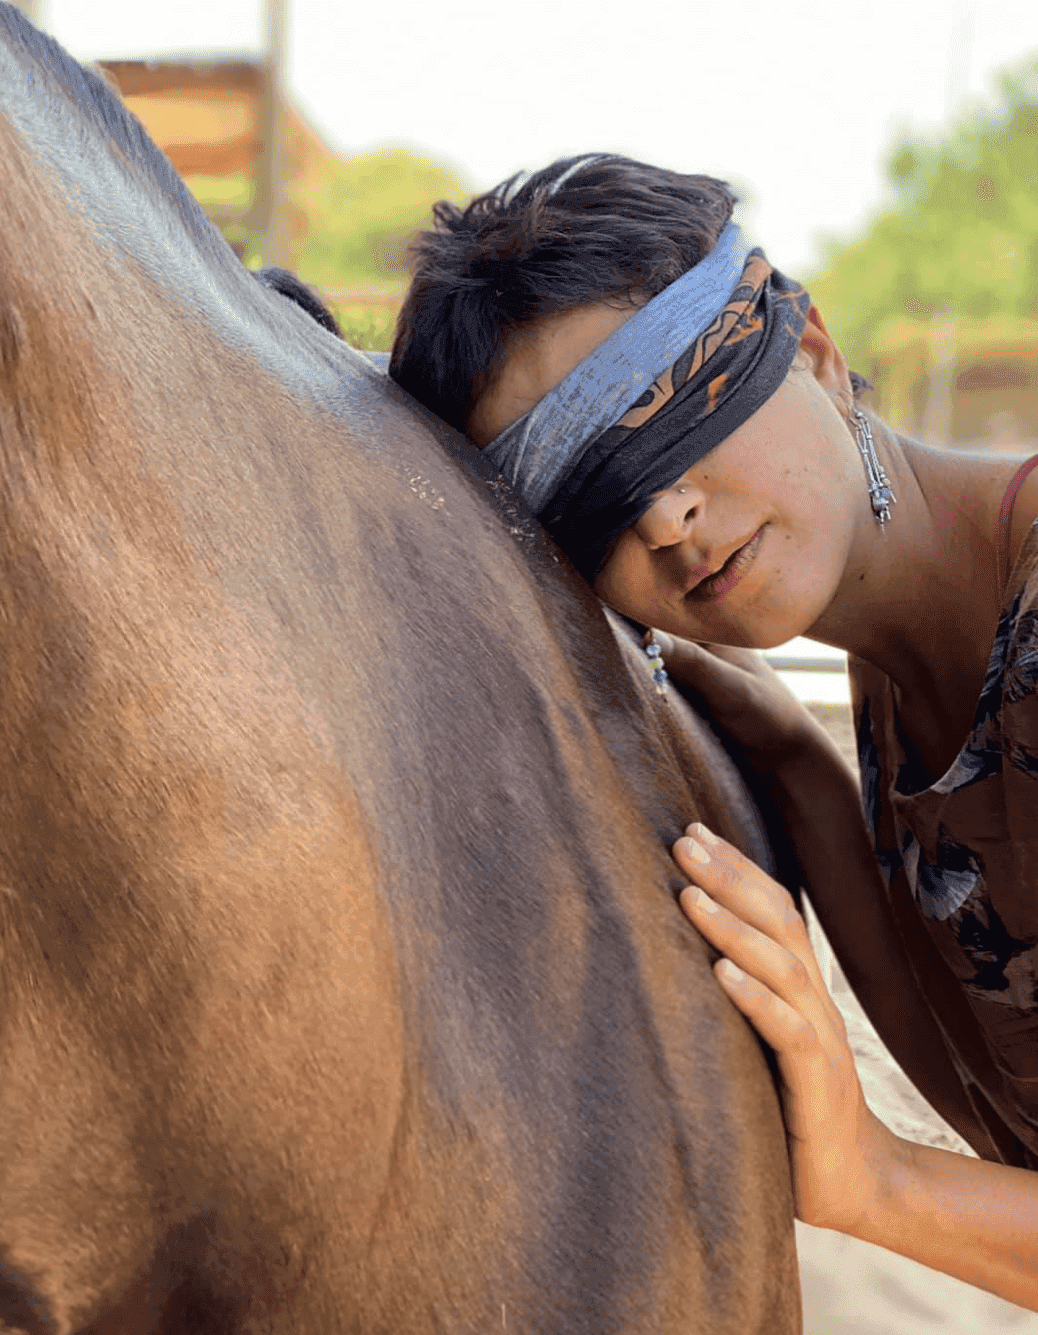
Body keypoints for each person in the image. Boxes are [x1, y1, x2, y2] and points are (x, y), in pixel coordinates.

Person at [387, 153, 1038, 1307]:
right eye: (582, 493)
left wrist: (880, 1184)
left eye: (668, 414)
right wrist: (803, 783)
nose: (662, 512)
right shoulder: (908, 676)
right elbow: (1005, 1112)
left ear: (815, 354)